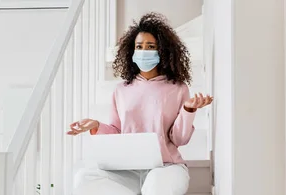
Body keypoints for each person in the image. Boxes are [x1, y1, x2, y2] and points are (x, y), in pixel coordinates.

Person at [67, 12, 213, 195]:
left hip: (166, 166)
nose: (144, 51)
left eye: (150, 46)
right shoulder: (121, 90)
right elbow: (117, 132)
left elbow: (179, 139)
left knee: (155, 189)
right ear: (132, 51)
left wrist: (188, 110)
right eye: (139, 46)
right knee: (84, 178)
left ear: (162, 51)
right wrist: (96, 126)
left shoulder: (178, 88)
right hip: (127, 169)